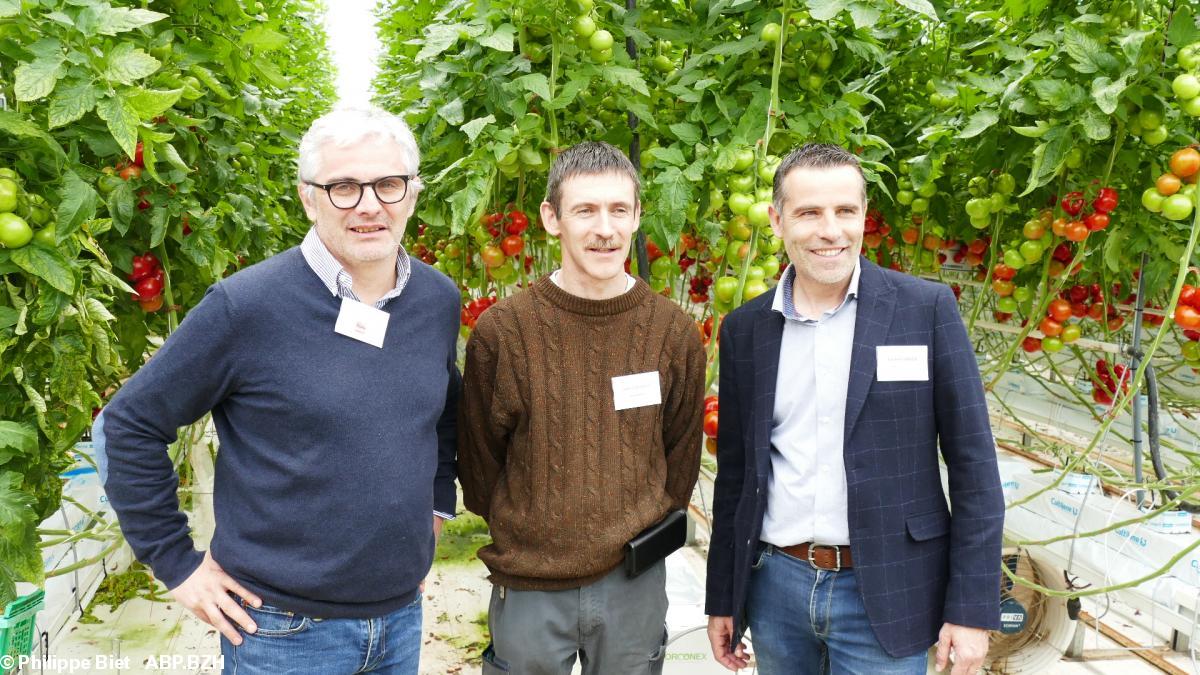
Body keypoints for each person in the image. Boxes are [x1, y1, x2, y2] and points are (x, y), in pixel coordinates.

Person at [95, 104, 461, 674]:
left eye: (388, 184)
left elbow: (442, 412)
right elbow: (128, 424)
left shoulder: (436, 300)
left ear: (413, 192)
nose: (369, 205)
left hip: (401, 617)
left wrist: (437, 503)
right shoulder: (245, 308)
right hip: (282, 632)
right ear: (308, 197)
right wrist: (177, 565)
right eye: (343, 187)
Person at [705, 143, 1004, 674]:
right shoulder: (745, 330)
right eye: (809, 213)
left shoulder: (925, 310)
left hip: (890, 588)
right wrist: (723, 596)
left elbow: (975, 468)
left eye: (846, 211)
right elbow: (736, 476)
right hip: (776, 587)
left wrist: (972, 610)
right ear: (776, 220)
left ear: (865, 215)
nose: (830, 230)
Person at [457, 141, 706, 675]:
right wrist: (532, 525)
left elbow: (682, 452)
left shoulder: (673, 332)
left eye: (619, 210)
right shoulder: (504, 331)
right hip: (529, 582)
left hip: (634, 582)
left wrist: (636, 524)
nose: (605, 229)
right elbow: (479, 464)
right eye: (586, 210)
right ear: (552, 218)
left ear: (638, 217)